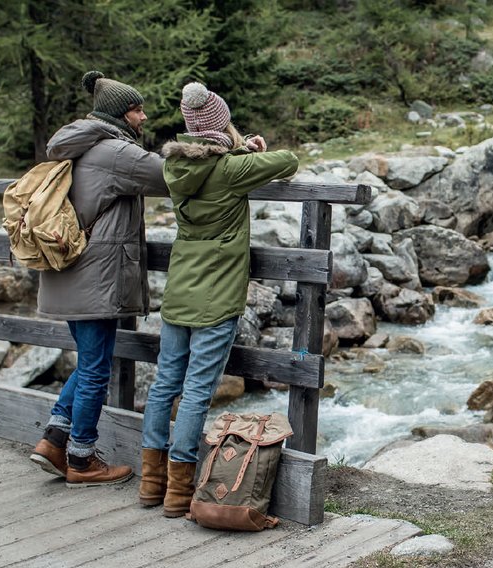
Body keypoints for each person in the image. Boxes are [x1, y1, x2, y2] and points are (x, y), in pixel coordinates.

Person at [139, 82, 298, 517]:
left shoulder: (174, 166)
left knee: (164, 385)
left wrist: (236, 147)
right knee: (195, 392)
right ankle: (179, 490)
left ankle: (151, 483)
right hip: (217, 295)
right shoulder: (230, 169)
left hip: (179, 291)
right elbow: (288, 161)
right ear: (220, 125)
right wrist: (247, 147)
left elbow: (212, 163)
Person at [29, 71, 168, 488]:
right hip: (96, 276)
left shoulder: (78, 145)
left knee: (90, 362)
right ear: (120, 115)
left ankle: (54, 440)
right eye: (137, 110)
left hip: (70, 272)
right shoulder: (116, 152)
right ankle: (82, 458)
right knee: (94, 369)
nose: (143, 117)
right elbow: (172, 176)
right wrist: (225, 148)